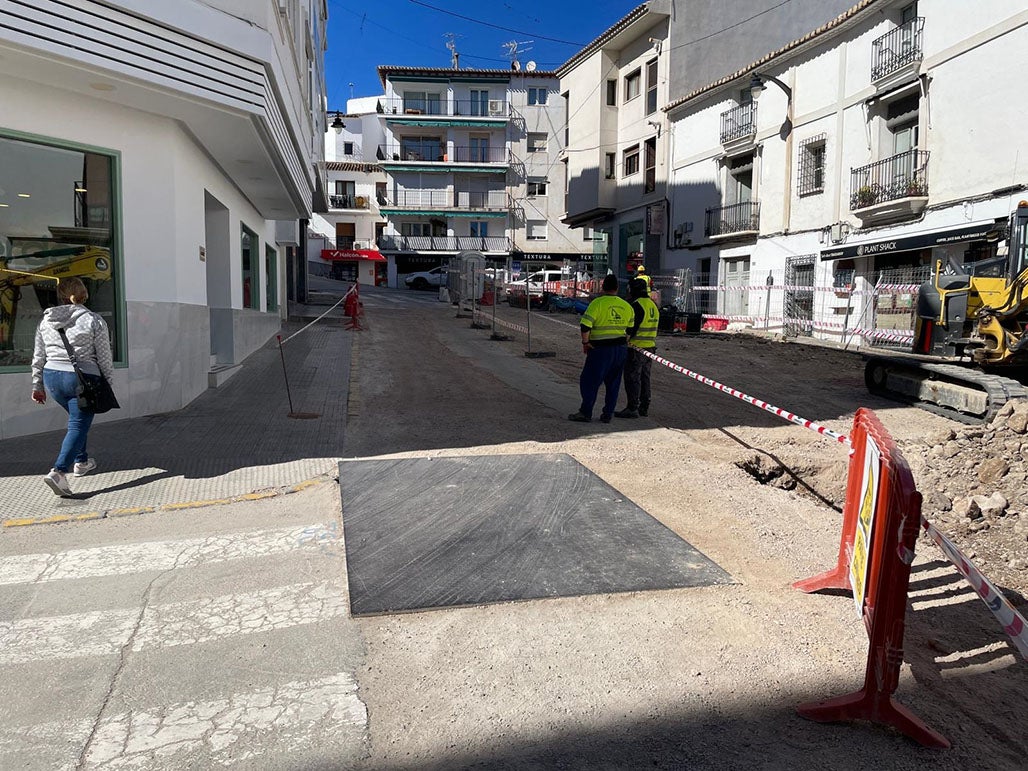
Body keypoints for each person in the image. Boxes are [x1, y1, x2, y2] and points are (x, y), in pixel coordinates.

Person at [30, 277, 114, 497]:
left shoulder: (45, 321)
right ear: (84, 294)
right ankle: (58, 471)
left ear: (61, 295)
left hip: (52, 378)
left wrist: (37, 384)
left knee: (77, 418)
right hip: (81, 379)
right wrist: (108, 384)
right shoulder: (93, 320)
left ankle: (82, 461)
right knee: (78, 423)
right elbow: (104, 357)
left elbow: (38, 355)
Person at [569, 274, 634, 423]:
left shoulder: (597, 304)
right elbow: (630, 330)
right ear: (617, 288)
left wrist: (585, 343)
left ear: (603, 287)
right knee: (613, 383)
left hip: (600, 350)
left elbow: (585, 325)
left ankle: (585, 412)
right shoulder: (627, 306)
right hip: (620, 349)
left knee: (589, 381)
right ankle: (607, 414)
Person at [616, 278, 659, 418]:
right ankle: (644, 407)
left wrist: (623, 341)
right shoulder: (652, 305)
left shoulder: (637, 305)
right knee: (645, 378)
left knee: (632, 378)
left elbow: (632, 329)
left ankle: (632, 407)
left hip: (636, 348)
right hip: (650, 348)